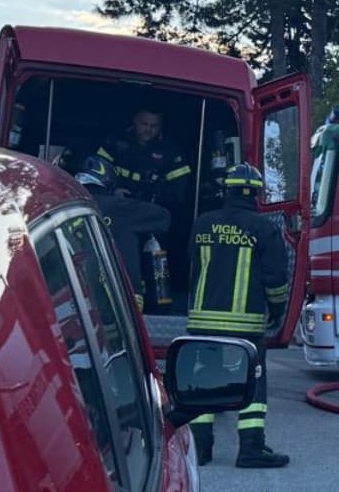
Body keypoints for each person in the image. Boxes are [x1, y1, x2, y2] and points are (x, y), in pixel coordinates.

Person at [188, 162, 291, 468]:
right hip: (244, 323)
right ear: (257, 195)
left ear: (226, 190)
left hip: (203, 319)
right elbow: (276, 280)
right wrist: (277, 311)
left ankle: (200, 448)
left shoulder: (202, 224)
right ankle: (251, 448)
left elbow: (191, 266)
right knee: (253, 381)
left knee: (205, 378)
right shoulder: (265, 229)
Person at [77, 155, 170, 311]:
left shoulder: (64, 205)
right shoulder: (121, 207)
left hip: (75, 294)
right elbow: (163, 218)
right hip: (123, 298)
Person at [97, 107, 194, 208]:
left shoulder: (171, 152)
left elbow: (181, 191)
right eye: (144, 124)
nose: (148, 129)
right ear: (135, 121)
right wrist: (112, 191)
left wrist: (154, 195)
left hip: (153, 212)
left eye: (154, 126)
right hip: (114, 205)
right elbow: (96, 172)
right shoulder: (114, 143)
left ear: (160, 126)